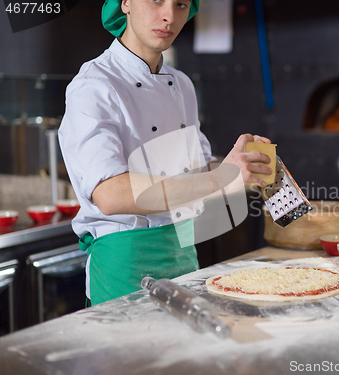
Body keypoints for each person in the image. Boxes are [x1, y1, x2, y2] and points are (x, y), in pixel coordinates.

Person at [58, 0, 273, 306]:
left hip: (182, 253)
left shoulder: (181, 85)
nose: (169, 16)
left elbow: (191, 174)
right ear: (126, 3)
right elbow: (110, 195)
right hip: (123, 261)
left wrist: (237, 167)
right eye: (157, 0)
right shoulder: (94, 85)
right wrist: (220, 178)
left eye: (182, 4)